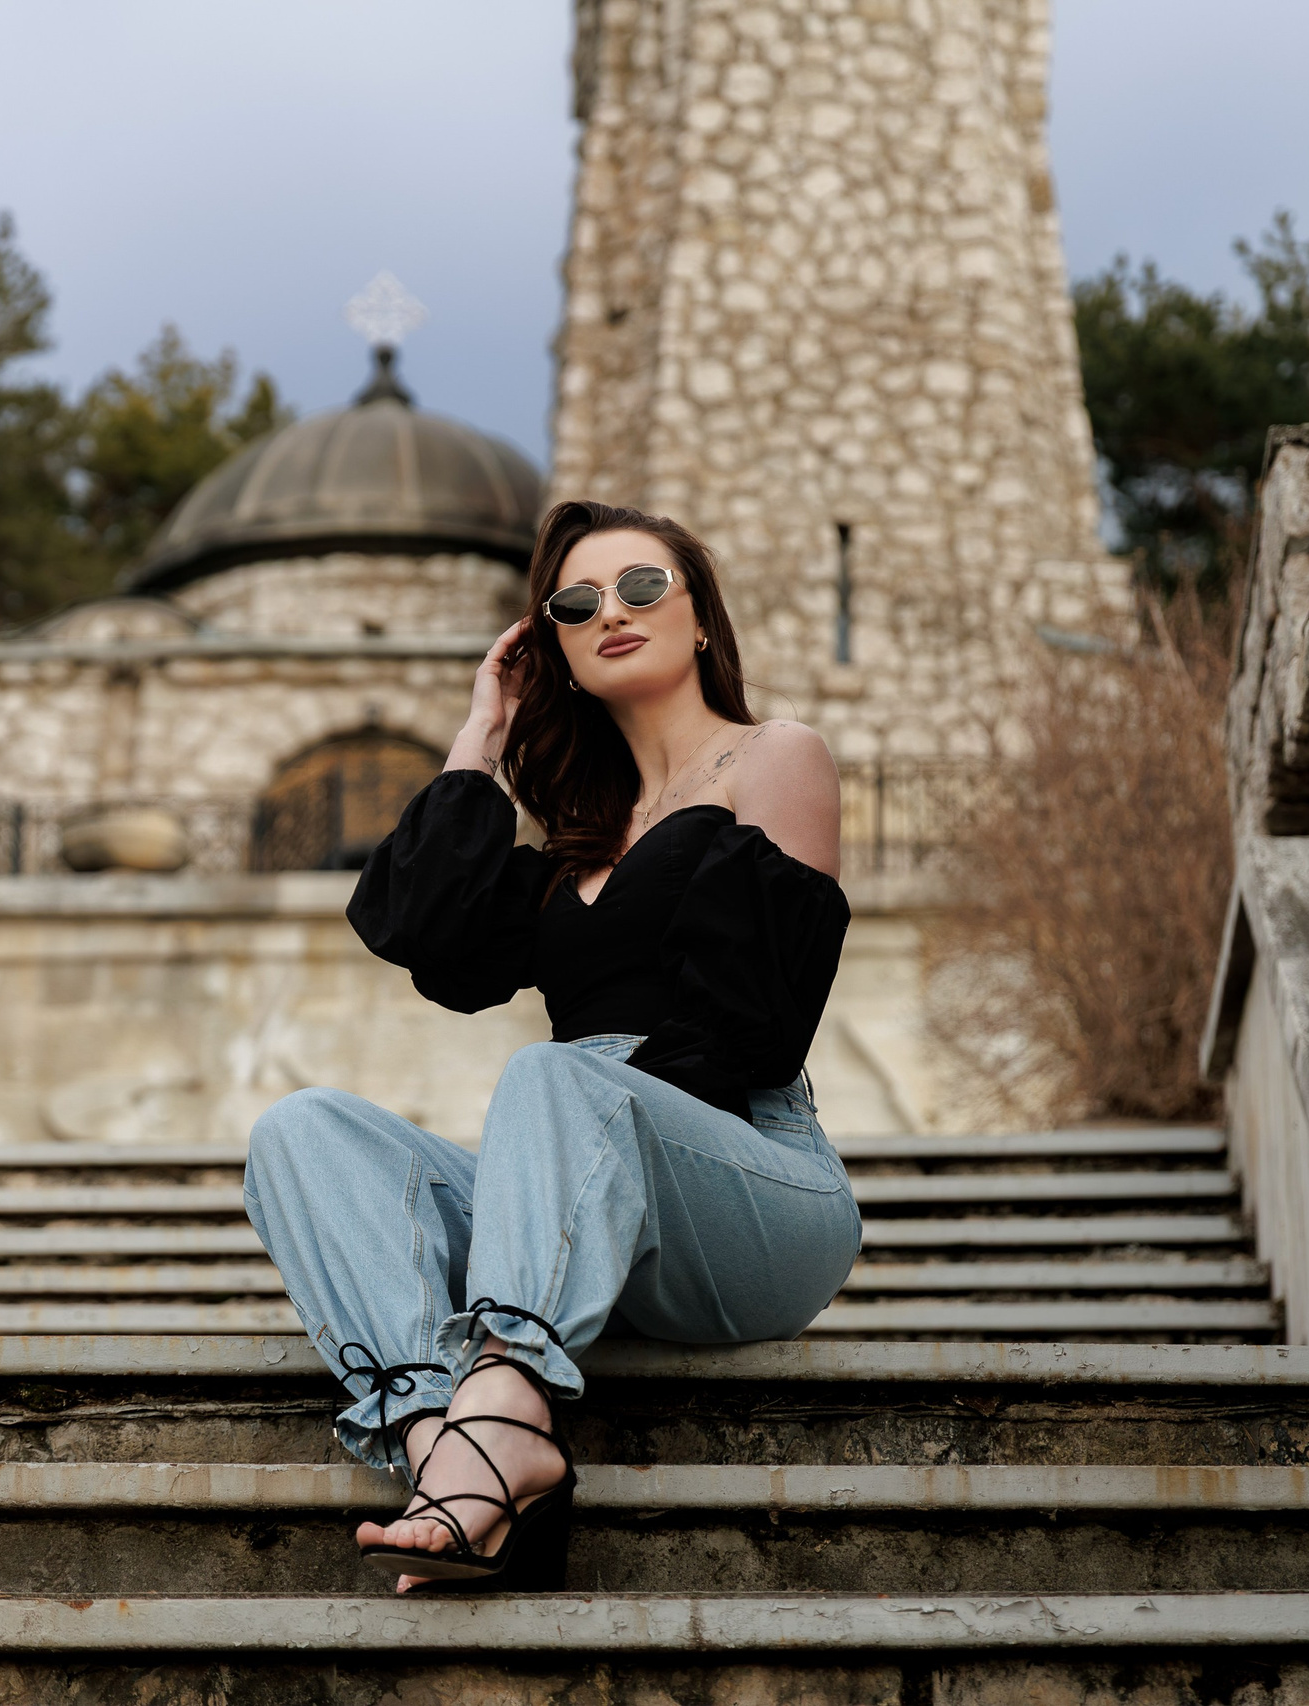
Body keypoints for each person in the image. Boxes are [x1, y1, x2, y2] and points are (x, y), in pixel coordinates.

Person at [243, 498, 861, 1594]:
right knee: (301, 1131)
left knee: (556, 1072)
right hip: (583, 1197)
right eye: (576, 603)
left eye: (641, 587)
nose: (610, 612)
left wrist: (589, 1117)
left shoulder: (774, 757)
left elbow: (758, 1021)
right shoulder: (571, 843)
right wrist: (483, 728)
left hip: (752, 1184)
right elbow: (418, 925)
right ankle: (442, 1443)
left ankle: (507, 1402)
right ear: (554, 647)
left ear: (701, 618)